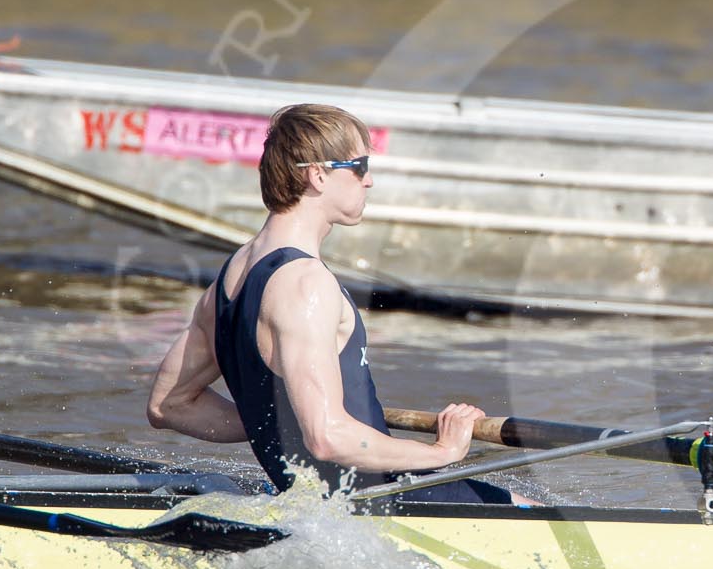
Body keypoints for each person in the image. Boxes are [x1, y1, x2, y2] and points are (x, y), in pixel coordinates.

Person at [147, 103, 511, 503]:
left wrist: (272, 423)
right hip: (377, 505)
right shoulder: (307, 285)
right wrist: (442, 451)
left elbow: (171, 404)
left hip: (314, 507)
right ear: (318, 175)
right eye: (359, 166)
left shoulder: (229, 279)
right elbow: (327, 438)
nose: (368, 180)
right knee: (540, 511)